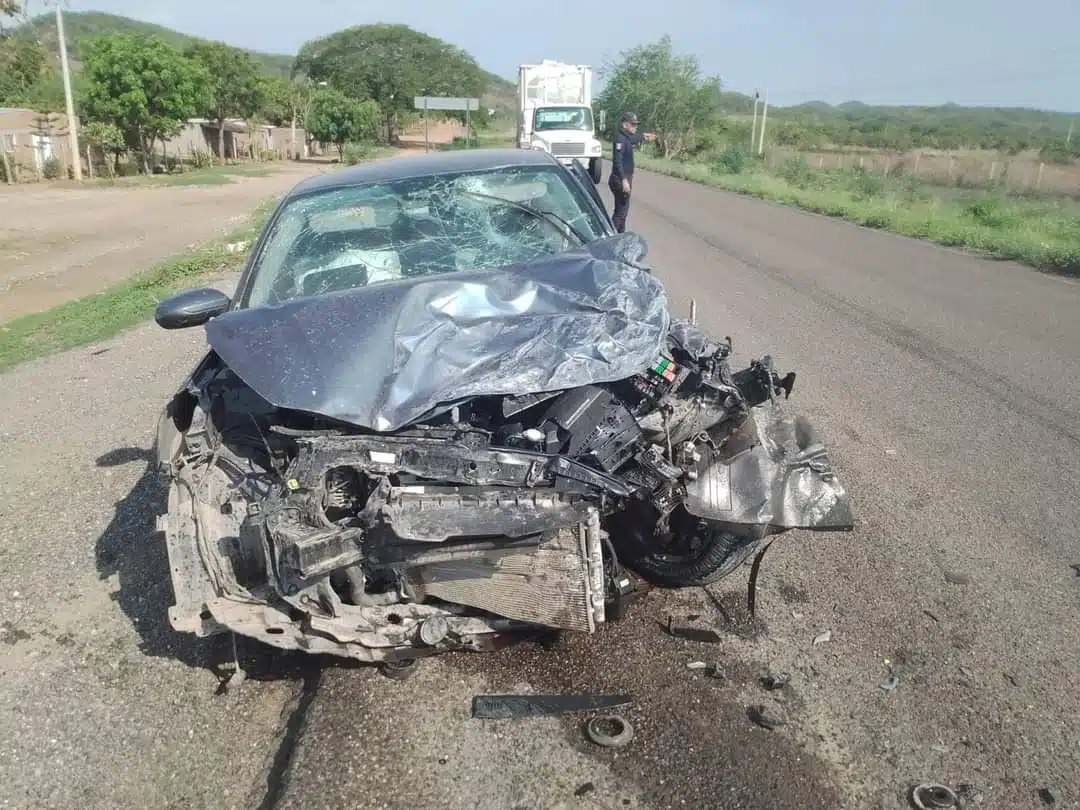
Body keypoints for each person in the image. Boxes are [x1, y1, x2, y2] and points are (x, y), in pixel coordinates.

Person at [607, 112, 656, 233]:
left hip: (625, 178)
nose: (635, 127)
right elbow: (617, 161)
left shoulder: (627, 137)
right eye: (632, 124)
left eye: (636, 124)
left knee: (623, 210)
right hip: (620, 179)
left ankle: (621, 235)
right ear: (625, 125)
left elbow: (635, 138)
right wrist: (624, 180)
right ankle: (611, 236)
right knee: (621, 212)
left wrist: (646, 136)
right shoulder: (620, 139)